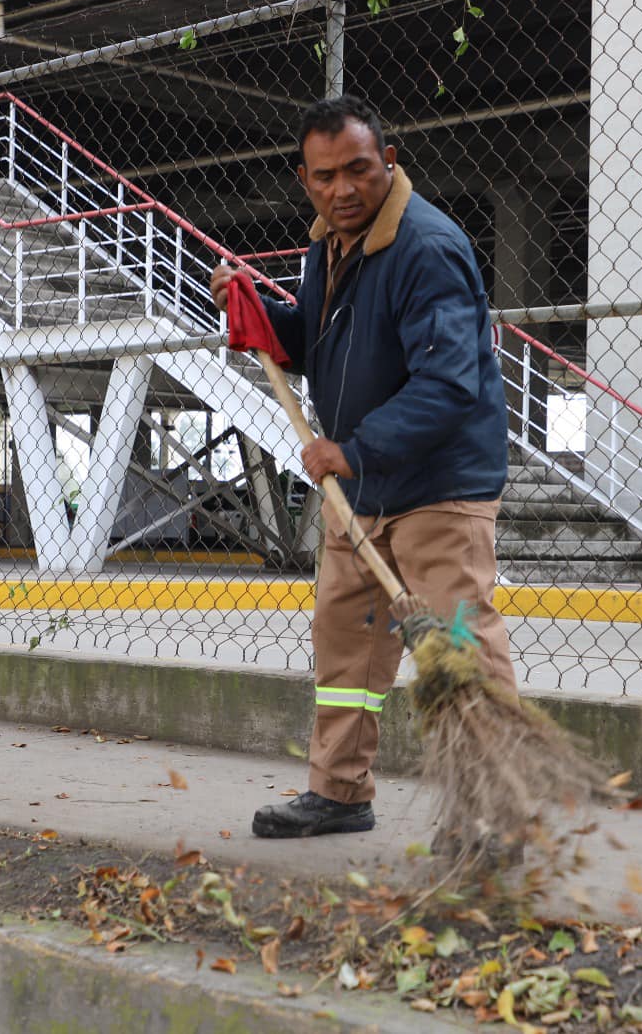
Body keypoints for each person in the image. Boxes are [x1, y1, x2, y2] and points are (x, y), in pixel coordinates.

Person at [210, 95, 517, 840]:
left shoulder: (426, 249)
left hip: (437, 489)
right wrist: (260, 318)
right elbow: (321, 348)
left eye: (357, 170)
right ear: (304, 180)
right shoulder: (329, 246)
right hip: (362, 493)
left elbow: (449, 382)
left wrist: (352, 449)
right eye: (324, 177)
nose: (342, 189)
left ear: (389, 161)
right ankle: (340, 794)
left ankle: (495, 816)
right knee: (346, 644)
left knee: (458, 643)